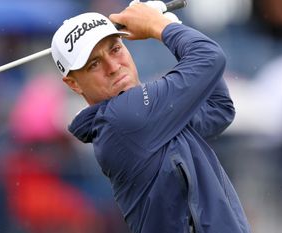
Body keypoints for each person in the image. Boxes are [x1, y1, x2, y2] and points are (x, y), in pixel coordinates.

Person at [50, 2, 251, 233]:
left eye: (115, 49)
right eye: (94, 64)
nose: (113, 66)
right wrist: (160, 26)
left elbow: (218, 108)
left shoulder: (149, 117)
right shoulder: (123, 118)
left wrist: (172, 25)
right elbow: (209, 57)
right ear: (73, 84)